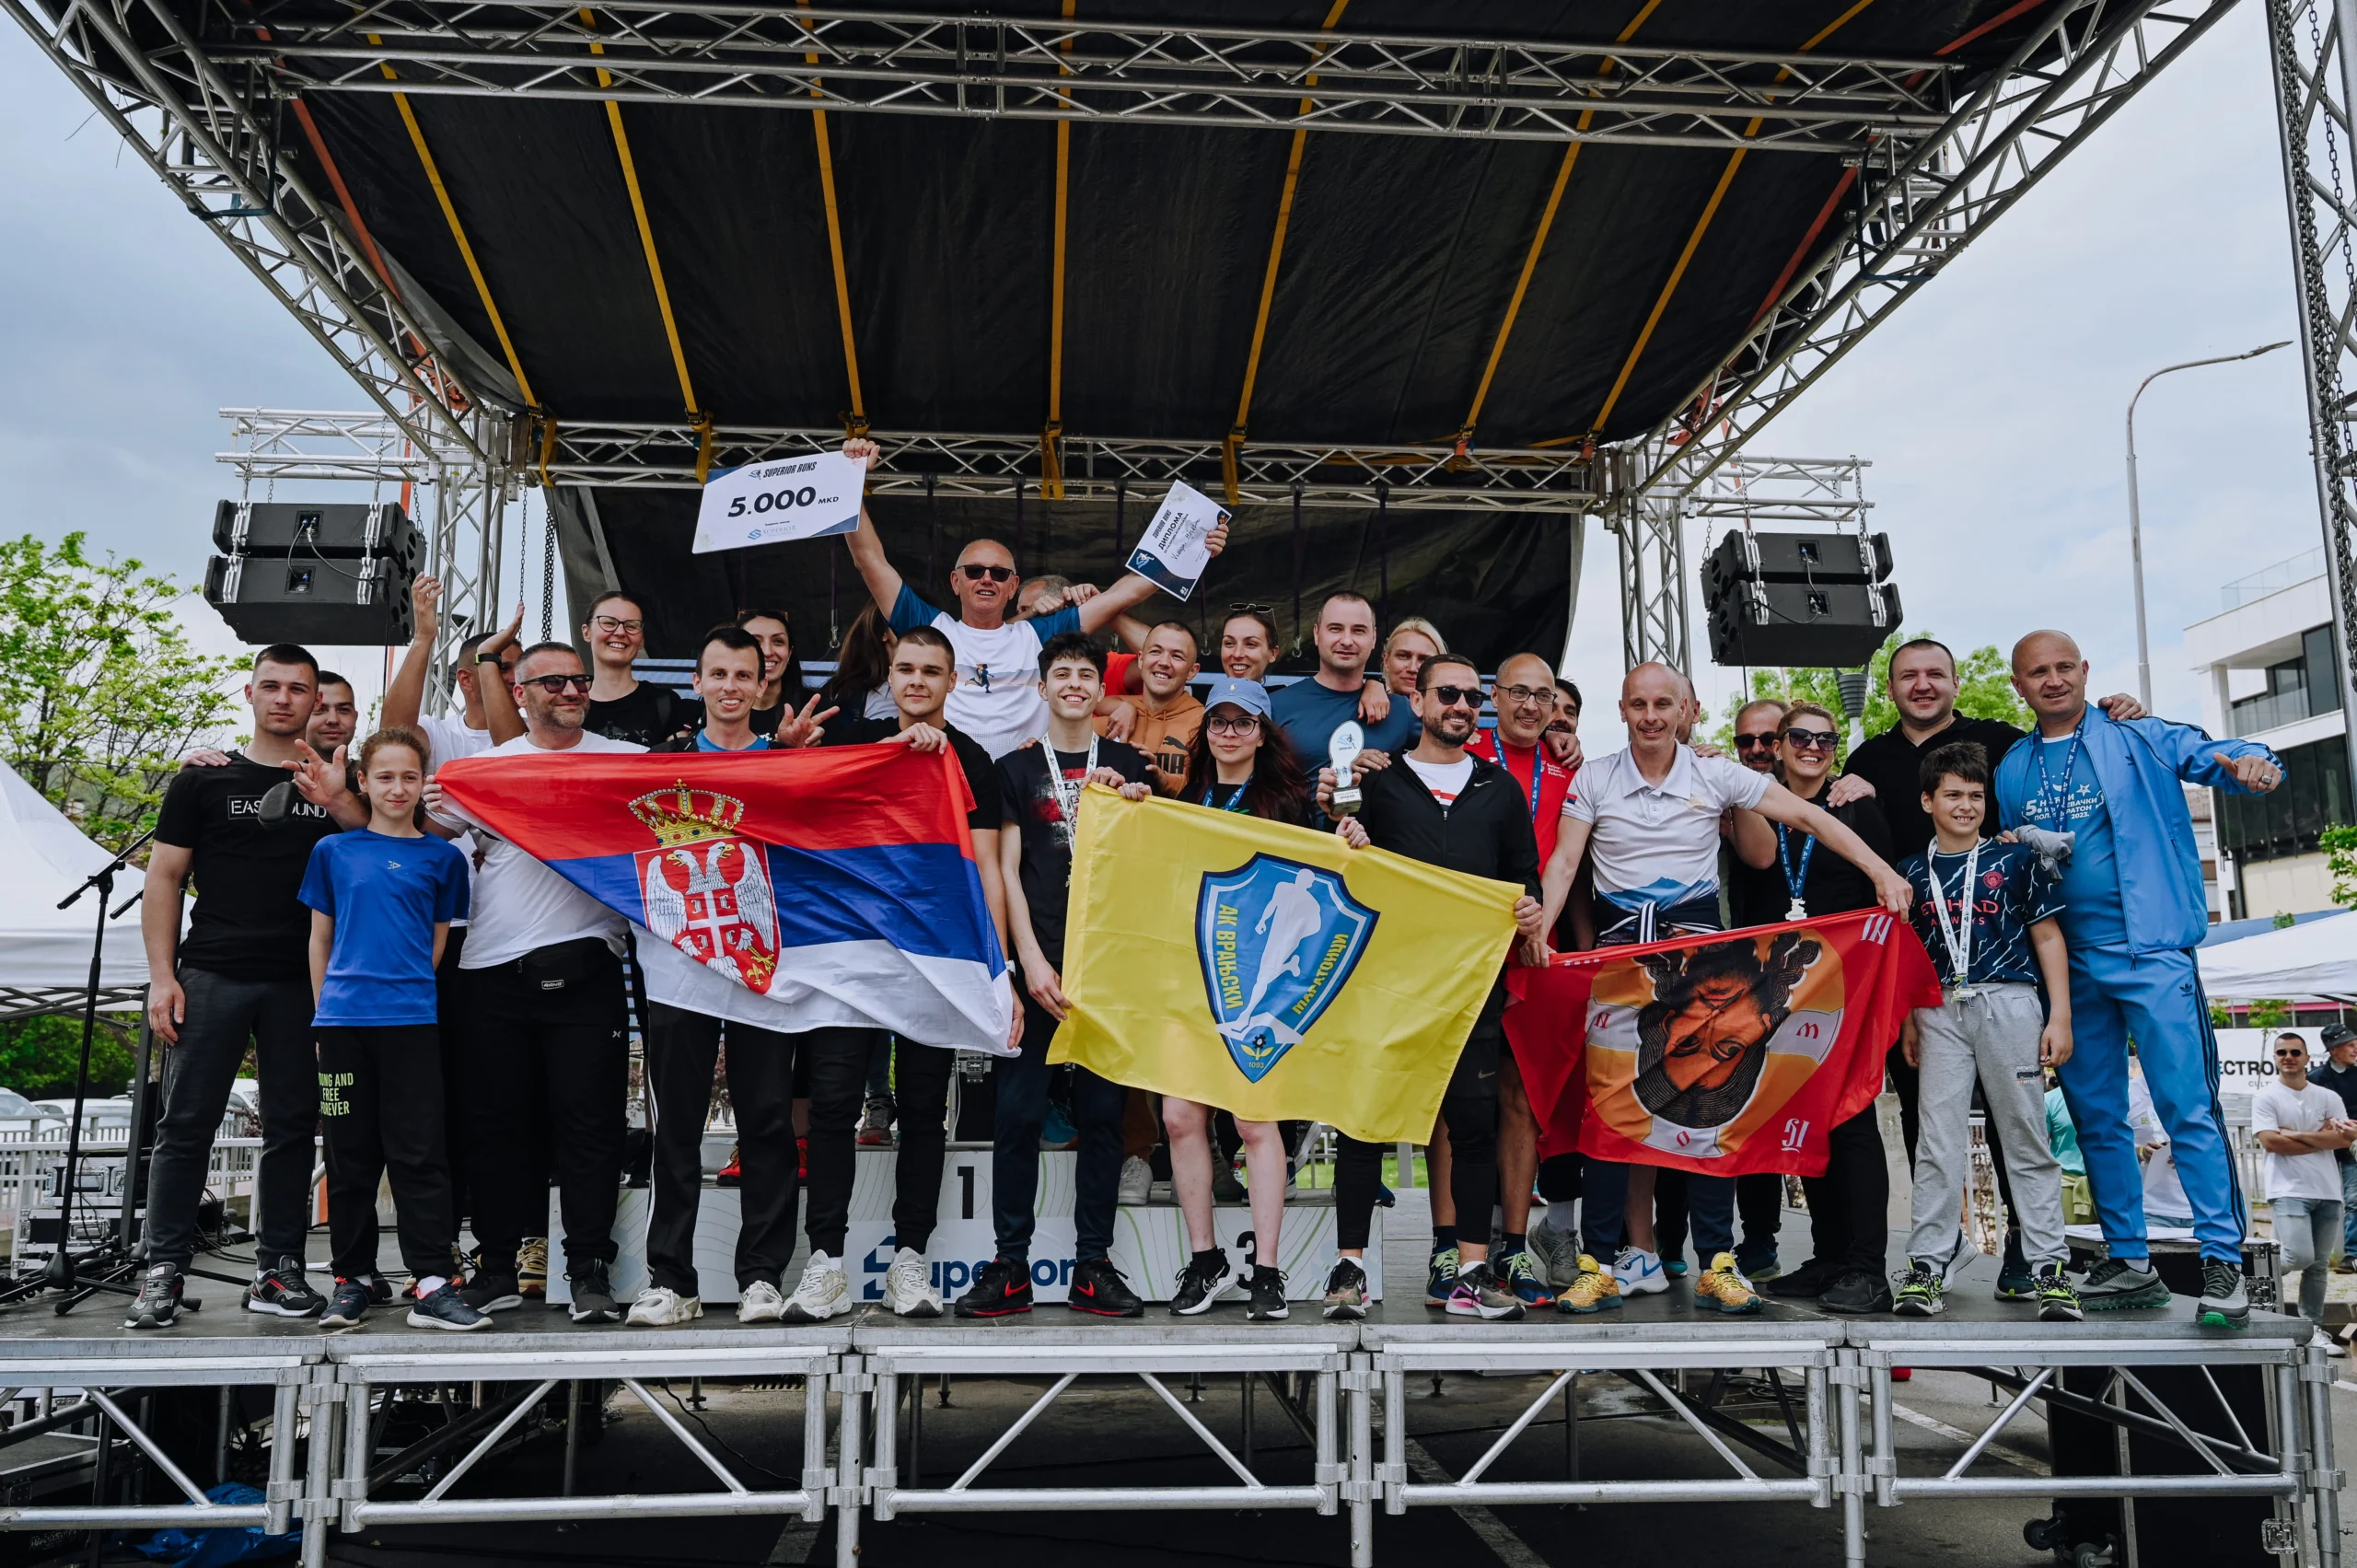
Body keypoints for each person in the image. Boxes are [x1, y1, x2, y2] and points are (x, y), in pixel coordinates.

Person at [1533, 664, 1910, 1319]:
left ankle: (1717, 1263)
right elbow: (1565, 862)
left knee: (1712, 1114)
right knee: (1609, 1114)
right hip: (1623, 963)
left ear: (1685, 709)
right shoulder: (1595, 777)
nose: (1652, 716)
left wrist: (1882, 872)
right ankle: (1598, 1266)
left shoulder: (1716, 772)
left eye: (1664, 704)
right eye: (1639, 704)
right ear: (1622, 710)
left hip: (1705, 965)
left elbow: (1810, 817)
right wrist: (1541, 930)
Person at [1994, 630, 2283, 1326]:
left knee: (2187, 1106)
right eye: (2039, 671)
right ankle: (2129, 1260)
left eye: (2065, 666)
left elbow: (2216, 754)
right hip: (2070, 965)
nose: (2054, 679)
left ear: (2085, 670)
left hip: (2153, 951)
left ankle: (2222, 1260)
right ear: (2019, 684)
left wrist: (2256, 762)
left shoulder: (2141, 734)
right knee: (2096, 1117)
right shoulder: (2011, 767)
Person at [129, 645, 366, 1330]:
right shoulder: (202, 781)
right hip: (212, 971)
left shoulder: (337, 785)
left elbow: (384, 840)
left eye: (299, 689)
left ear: (315, 700)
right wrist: (163, 976)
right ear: (250, 693)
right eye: (272, 686)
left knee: (293, 1125)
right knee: (185, 1124)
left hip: (304, 981)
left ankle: (277, 1268)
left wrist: (338, 797)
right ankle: (163, 1269)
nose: (284, 699)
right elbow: (164, 877)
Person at [1317, 654, 1547, 1322]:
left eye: (1473, 698)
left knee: (1472, 1124)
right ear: (1415, 702)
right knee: (1363, 1121)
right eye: (1448, 693)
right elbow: (1337, 860)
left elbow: (1524, 877)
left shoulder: (1500, 789)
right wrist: (1339, 828)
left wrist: (1529, 910)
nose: (1462, 706)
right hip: (1382, 981)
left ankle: (1471, 1271)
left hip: (1468, 986)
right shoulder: (1377, 781)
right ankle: (1350, 1270)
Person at [424, 641, 643, 1324]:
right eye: (553, 682)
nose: (571, 691)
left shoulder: (628, 762)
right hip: (489, 971)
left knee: (590, 1129)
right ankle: (495, 1268)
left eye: (579, 680)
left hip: (587, 967)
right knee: (495, 1130)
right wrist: (345, 795)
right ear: (518, 693)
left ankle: (588, 1271)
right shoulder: (481, 773)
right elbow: (409, 831)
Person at [800, 625, 1012, 1320]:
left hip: (932, 960)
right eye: (906, 669)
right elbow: (793, 806)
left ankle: (909, 1260)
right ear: (888, 677)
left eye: (931, 671)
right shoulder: (852, 742)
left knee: (923, 1109)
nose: (917, 681)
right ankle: (825, 1262)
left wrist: (995, 967)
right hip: (853, 957)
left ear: (953, 681)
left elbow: (986, 869)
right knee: (834, 1104)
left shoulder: (973, 759)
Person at [621, 628, 819, 1329]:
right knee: (675, 1124)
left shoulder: (788, 767)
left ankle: (761, 1275)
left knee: (767, 1121)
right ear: (697, 683)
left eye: (743, 675)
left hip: (762, 966)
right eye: (718, 674)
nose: (730, 687)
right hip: (679, 969)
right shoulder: (659, 765)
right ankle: (671, 1279)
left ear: (763, 686)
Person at [956, 633, 1155, 1318]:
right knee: (1016, 1117)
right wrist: (1029, 962)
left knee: (1103, 1117)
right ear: (1041, 688)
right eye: (1062, 673)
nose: (1074, 683)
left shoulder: (1128, 762)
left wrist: (1138, 803)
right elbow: (1007, 871)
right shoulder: (1014, 768)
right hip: (1038, 968)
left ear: (1101, 689)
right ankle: (1011, 1264)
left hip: (1108, 970)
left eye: (1086, 674)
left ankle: (1092, 1264)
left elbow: (1148, 861)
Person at [839, 438, 1224, 758]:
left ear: (1013, 586)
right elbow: (869, 561)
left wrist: (1195, 547)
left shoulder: (1039, 635)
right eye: (974, 571)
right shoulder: (931, 630)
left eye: (999, 574)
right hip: (947, 777)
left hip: (1021, 790)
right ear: (955, 582)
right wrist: (852, 479)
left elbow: (1126, 593)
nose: (986, 579)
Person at [300, 727, 486, 1331]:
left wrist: (402, 992)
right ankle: (352, 1280)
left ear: (424, 781)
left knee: (420, 1154)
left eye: (409, 776)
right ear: (363, 781)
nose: (398, 788)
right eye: (385, 776)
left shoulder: (444, 859)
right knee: (349, 1156)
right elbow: (320, 939)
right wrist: (324, 1016)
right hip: (342, 1026)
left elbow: (436, 944)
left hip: (411, 1025)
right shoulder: (333, 851)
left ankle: (431, 1281)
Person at [1889, 741, 2080, 1323]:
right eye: (1952, 794)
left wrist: (2060, 1014)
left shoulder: (2016, 860)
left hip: (2010, 1001)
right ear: (1928, 801)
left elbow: (2047, 937)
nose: (1965, 805)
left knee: (2025, 1136)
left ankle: (2050, 1270)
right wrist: (1909, 1020)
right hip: (1938, 1009)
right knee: (1937, 1141)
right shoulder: (1910, 872)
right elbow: (1906, 955)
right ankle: (1928, 1264)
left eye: (1975, 796)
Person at [1731, 703, 1901, 1315]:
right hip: (1776, 991)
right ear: (1777, 745)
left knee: (1851, 1119)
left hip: (1843, 985)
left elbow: (1885, 899)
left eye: (1825, 740)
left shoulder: (1857, 807)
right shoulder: (1755, 805)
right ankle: (1829, 1256)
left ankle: (1868, 1268)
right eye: (1799, 736)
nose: (1812, 747)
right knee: (1804, 1120)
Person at [1160, 678, 1313, 1320]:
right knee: (1179, 1116)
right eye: (1218, 722)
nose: (1228, 733)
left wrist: (1352, 837)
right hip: (1192, 977)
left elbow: (1323, 879)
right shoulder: (1184, 798)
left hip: (1260, 983)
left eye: (1242, 722)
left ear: (1262, 733)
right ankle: (1206, 1259)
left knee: (1254, 1122)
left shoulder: (1289, 803)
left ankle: (1268, 1271)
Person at [1454, 653, 1581, 1307]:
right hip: (1462, 946)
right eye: (1518, 693)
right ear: (1494, 696)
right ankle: (1452, 1247)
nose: (1530, 706)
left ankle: (1512, 1245)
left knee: (1521, 1099)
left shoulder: (1570, 770)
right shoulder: (1459, 752)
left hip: (1535, 950)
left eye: (1543, 696)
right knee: (1455, 1103)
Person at [2250, 1033, 2354, 1351]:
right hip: (2287, 1188)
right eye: (2282, 1052)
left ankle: (2312, 1330)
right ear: (2275, 1058)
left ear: (2308, 1058)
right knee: (2298, 1255)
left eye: (2296, 1052)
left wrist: (2293, 1134)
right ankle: (2248, 1279)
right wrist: (2318, 1138)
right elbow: (2271, 1142)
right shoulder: (2266, 1096)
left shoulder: (2327, 1096)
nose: (2289, 1057)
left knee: (2318, 1266)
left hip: (2328, 1188)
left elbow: (2343, 1140)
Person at [1271, 593, 1421, 793]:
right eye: (1335, 629)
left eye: (1358, 631)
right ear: (1316, 633)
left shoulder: (1401, 711)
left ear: (1373, 638)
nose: (1347, 640)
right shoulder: (1276, 706)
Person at [577, 589, 691, 747]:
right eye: (609, 623)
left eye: (631, 626)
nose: (620, 632)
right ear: (586, 632)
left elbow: (682, 759)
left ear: (641, 641)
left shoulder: (664, 703)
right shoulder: (568, 703)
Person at [1108, 621, 1206, 793]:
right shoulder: (1113, 715)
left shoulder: (1205, 723)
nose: (1164, 662)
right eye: (1155, 651)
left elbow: (1210, 789)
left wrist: (1164, 780)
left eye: (1177, 656)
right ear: (1141, 659)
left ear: (1192, 671)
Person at [2310, 1023, 2357, 1268]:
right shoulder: (2315, 1079)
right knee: (2318, 1199)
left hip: (2351, 1148)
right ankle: (2315, 1253)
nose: (2355, 1049)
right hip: (2321, 1148)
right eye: (2349, 1045)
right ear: (2333, 1050)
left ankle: (2352, 1253)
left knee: (2354, 1199)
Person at [818, 602, 901, 723]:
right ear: (884, 632)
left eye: (925, 621)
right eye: (908, 618)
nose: (917, 625)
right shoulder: (843, 691)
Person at [308, 673, 360, 759]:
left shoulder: (374, 768)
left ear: (355, 718)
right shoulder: (284, 766)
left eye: (343, 710)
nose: (333, 720)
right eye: (320, 710)